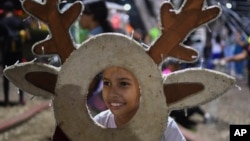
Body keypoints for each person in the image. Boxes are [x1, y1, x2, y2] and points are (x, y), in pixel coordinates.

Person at [94, 66, 186, 141]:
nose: (112, 93)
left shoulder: (164, 127)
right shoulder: (98, 124)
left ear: (142, 87)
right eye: (106, 83)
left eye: (123, 84)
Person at [0, 1, 30, 106]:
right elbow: (27, 37)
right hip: (18, 53)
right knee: (19, 75)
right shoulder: (19, 21)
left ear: (4, 10)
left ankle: (7, 101)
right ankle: (21, 99)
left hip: (6, 53)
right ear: (12, 10)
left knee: (6, 77)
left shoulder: (2, 22)